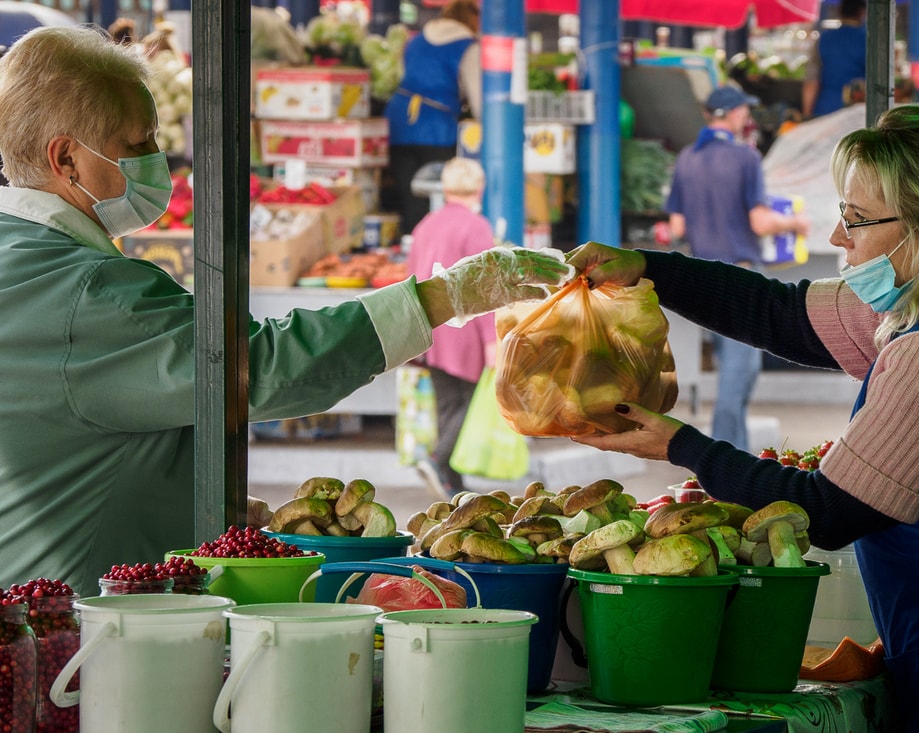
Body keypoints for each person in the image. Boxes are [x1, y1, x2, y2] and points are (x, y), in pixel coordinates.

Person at [568, 104, 919, 731]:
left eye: (855, 219)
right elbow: (777, 313)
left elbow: (827, 510)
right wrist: (649, 268)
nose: (837, 238)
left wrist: (683, 447)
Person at [0, 26, 571, 598]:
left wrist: (188, 497)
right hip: (71, 635)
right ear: (66, 157)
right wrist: (446, 296)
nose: (158, 160)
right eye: (140, 143)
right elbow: (261, 365)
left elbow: (73, 444)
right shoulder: (89, 291)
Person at [665, 84, 809, 449]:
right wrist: (794, 223)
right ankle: (725, 456)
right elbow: (760, 222)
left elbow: (677, 227)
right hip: (740, 277)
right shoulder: (745, 157)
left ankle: (737, 456)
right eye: (744, 110)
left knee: (739, 368)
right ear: (731, 113)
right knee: (738, 371)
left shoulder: (687, 158)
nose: (747, 117)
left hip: (702, 277)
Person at [405, 157, 497, 499]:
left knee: (448, 406)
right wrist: (492, 339)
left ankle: (452, 484)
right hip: (465, 331)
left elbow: (411, 276)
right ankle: (436, 460)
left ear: (444, 189)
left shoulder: (426, 224)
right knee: (469, 406)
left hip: (433, 329)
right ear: (479, 188)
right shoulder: (476, 226)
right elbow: (484, 287)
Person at [384, 0, 481, 237]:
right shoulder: (468, 46)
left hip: (400, 120)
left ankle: (411, 249)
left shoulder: (416, 41)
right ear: (471, 20)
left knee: (410, 196)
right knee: (440, 193)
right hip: (436, 127)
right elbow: (477, 95)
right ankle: (437, 251)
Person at [801, 0, 867, 119]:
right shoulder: (868, 41)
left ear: (839, 12)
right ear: (861, 13)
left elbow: (811, 82)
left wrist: (806, 116)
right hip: (857, 114)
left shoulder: (824, 39)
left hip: (825, 111)